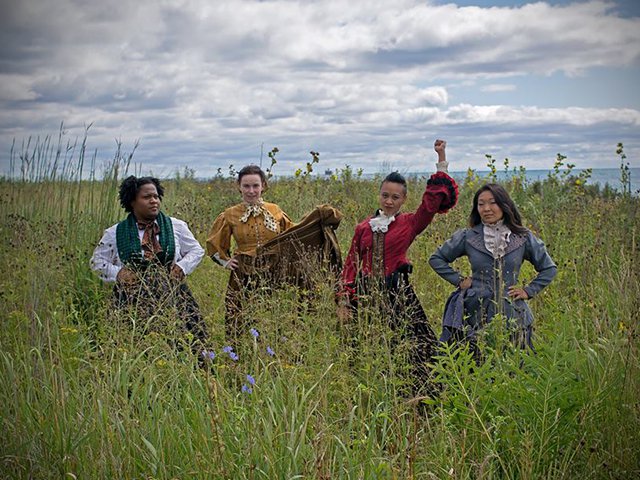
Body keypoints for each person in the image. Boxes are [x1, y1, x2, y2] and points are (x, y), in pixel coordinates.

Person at [339, 139, 459, 392]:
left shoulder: (410, 223)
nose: (389, 201)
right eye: (385, 195)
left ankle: (421, 395)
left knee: (415, 345)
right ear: (379, 195)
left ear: (404, 199)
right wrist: (344, 301)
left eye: (395, 197)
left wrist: (441, 158)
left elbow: (431, 203)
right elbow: (351, 264)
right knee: (365, 348)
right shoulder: (363, 228)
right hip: (365, 293)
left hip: (397, 292)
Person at [429, 183, 557, 361]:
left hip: (513, 313)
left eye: (492, 202)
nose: (486, 209)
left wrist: (528, 291)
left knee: (515, 365)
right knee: (476, 364)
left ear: (504, 205)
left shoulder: (522, 237)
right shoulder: (468, 236)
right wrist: (459, 279)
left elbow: (549, 268)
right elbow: (437, 259)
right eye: (481, 204)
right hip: (475, 314)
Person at [90, 175, 207, 350]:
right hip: (130, 298)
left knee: (189, 342)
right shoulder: (115, 232)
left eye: (156, 196)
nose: (154, 201)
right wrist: (119, 273)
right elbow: (97, 262)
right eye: (146, 197)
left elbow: (196, 250)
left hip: (174, 294)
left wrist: (182, 267)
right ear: (132, 202)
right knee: (132, 345)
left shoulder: (176, 226)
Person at [206, 165, 295, 343]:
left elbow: (292, 235)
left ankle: (277, 350)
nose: (251, 191)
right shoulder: (230, 214)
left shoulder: (275, 210)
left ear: (263, 185)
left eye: (255, 186)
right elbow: (214, 243)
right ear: (239, 186)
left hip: (275, 270)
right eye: (246, 186)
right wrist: (225, 261)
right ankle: (242, 352)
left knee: (275, 314)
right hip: (244, 273)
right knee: (240, 315)